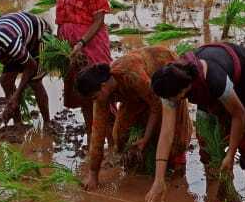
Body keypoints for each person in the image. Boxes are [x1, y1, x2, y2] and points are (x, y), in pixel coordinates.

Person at [148, 42, 245, 202]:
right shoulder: (169, 84)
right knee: (206, 139)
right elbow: (166, 133)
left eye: (173, 98)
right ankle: (216, 192)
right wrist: (159, 179)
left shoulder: (214, 78)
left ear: (184, 90)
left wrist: (230, 155)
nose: (171, 102)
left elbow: (238, 114)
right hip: (208, 87)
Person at [75, 46, 192, 191]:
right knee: (120, 132)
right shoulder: (101, 95)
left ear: (103, 86)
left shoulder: (130, 74)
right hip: (134, 92)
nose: (96, 101)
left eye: (94, 97)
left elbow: (156, 105)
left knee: (172, 126)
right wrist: (93, 175)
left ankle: (178, 165)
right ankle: (137, 162)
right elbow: (97, 133)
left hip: (164, 72)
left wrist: (146, 138)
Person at [54, 0, 111, 144]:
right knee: (83, 92)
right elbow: (61, 18)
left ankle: (112, 138)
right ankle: (92, 136)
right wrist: (59, 44)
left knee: (100, 91)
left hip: (90, 46)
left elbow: (98, 19)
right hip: (70, 49)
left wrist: (81, 43)